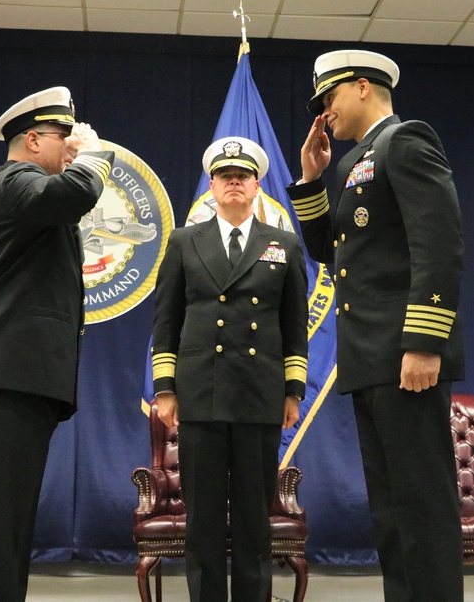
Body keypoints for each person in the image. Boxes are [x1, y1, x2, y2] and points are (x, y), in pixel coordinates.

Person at [286, 50, 465, 602]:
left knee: (422, 507)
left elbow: (439, 245)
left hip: (404, 356)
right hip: (368, 359)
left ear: (363, 87)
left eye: (329, 98)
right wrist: (312, 181)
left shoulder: (406, 140)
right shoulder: (352, 162)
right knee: (390, 511)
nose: (324, 113)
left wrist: (424, 343)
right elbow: (332, 254)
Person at [0, 86, 114, 602]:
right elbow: (71, 195)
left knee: (12, 524)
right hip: (6, 373)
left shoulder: (29, 190)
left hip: (23, 377)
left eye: (73, 140)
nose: (70, 147)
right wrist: (93, 159)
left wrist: (78, 159)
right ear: (32, 139)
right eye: (62, 138)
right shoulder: (13, 180)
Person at [151, 137, 308, 602]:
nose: (234, 182)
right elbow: (167, 320)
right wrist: (165, 389)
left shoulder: (283, 244)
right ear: (213, 187)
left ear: (257, 185)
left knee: (253, 517)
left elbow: (294, 325)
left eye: (243, 176)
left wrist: (293, 390)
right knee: (201, 519)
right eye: (225, 176)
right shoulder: (184, 242)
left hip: (259, 396)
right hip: (201, 394)